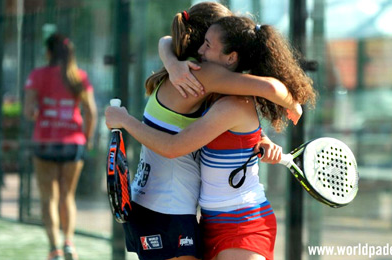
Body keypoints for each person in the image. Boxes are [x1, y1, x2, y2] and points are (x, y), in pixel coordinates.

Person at [105, 15, 316, 260]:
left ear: (231, 57)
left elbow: (175, 146)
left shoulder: (219, 90)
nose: (200, 51)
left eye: (208, 44)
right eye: (202, 42)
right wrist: (172, 62)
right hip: (209, 222)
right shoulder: (212, 89)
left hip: (241, 223)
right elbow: (166, 41)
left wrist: (293, 103)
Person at [23, 33, 97, 260]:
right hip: (72, 144)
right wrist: (87, 139)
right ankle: (69, 244)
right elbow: (91, 113)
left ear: (48, 52)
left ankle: (54, 248)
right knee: (67, 196)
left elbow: (28, 111)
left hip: (45, 142)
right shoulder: (79, 77)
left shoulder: (37, 75)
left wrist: (38, 113)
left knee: (49, 197)